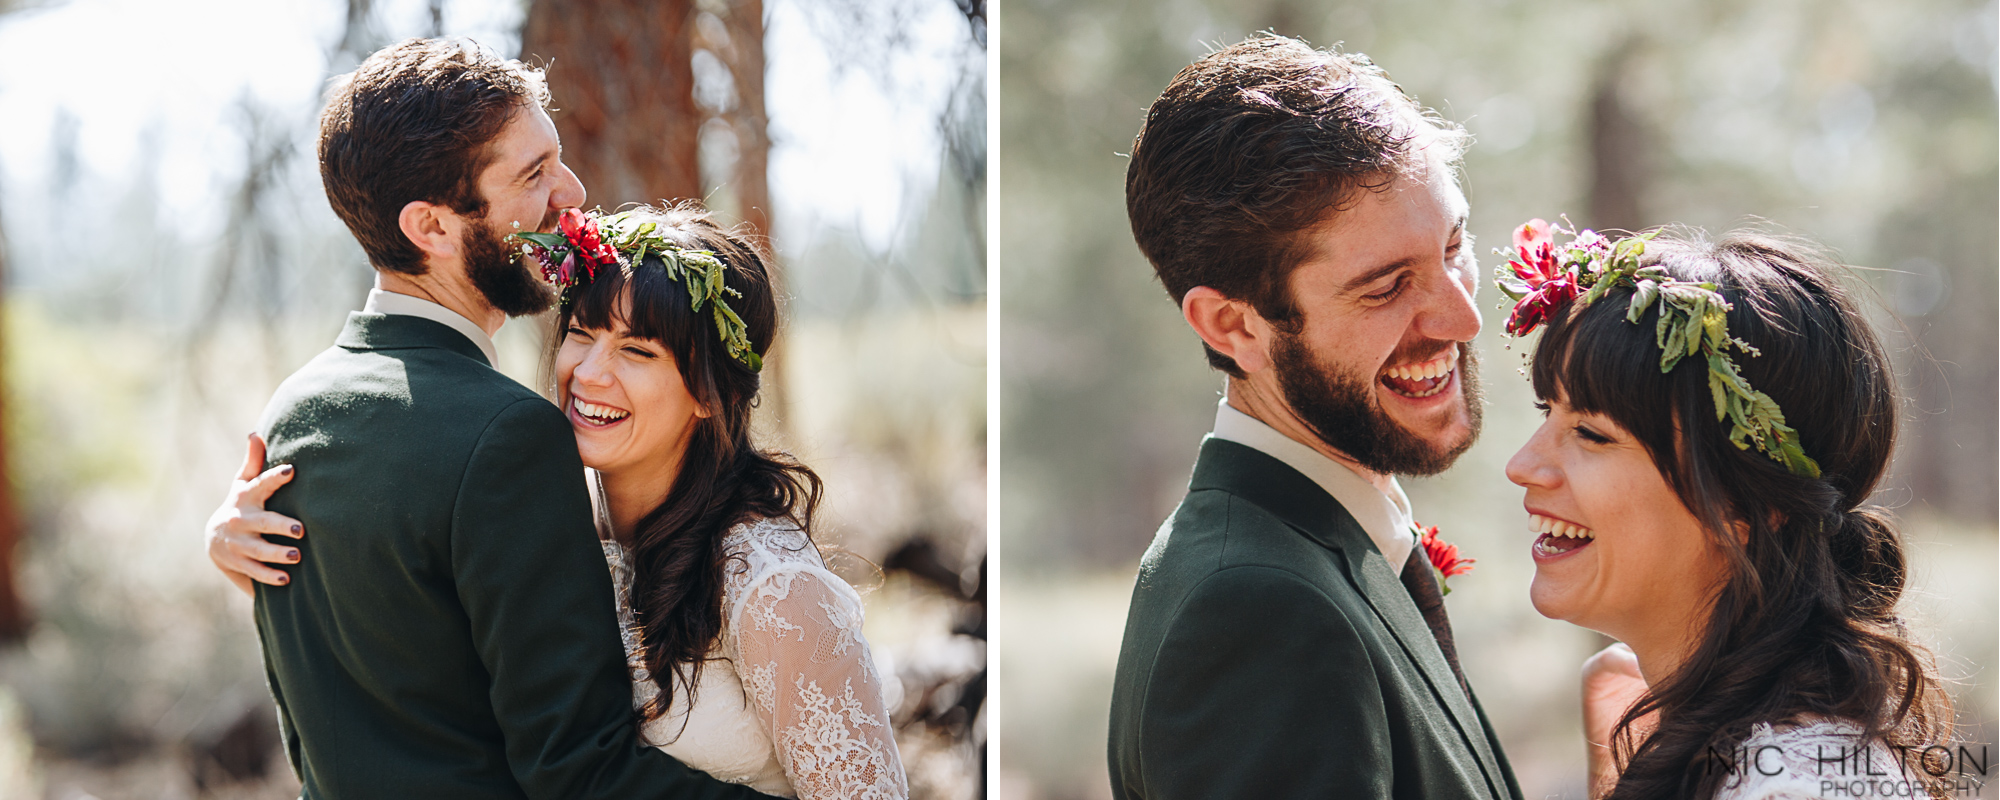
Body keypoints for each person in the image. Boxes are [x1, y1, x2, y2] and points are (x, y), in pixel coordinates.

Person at [197, 38, 761, 798]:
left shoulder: (291, 413)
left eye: (556, 158)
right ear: (430, 228)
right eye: (533, 175)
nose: (572, 190)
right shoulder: (509, 436)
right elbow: (581, 770)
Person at [212, 203, 910, 798]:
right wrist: (243, 546)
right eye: (581, 331)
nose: (589, 373)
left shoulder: (774, 591)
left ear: (712, 392)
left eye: (638, 352)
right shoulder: (544, 522)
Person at [1107, 34, 1521, 799]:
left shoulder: (1321, 552)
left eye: (1454, 245)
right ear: (1234, 327)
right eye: (1388, 285)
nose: (1463, 320)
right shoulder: (1258, 615)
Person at [1498, 223, 1951, 800]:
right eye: (1546, 412)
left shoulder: (1797, 786)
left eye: (1591, 433)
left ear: (1746, 499)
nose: (1522, 464)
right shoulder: (1668, 724)